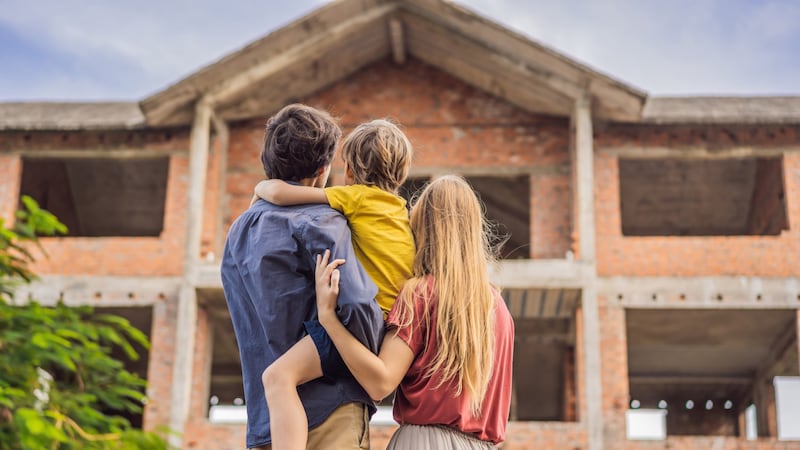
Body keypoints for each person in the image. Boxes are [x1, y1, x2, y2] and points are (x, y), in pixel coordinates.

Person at [221, 104, 384, 450]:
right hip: (330, 410)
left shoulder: (238, 233)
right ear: (323, 170)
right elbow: (355, 304)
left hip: (269, 423)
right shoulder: (322, 222)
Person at [315, 175, 515, 449]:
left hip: (424, 441)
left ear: (423, 229)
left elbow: (381, 382)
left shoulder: (420, 293)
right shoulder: (497, 307)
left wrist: (329, 319)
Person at [253, 119, 415, 450]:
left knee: (278, 377)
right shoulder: (402, 214)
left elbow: (282, 193)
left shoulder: (356, 198)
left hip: (357, 326)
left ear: (351, 170)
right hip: (387, 332)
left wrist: (260, 189)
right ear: (401, 174)